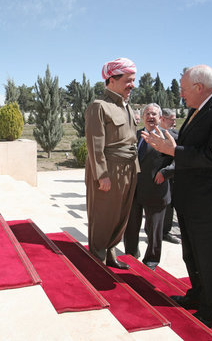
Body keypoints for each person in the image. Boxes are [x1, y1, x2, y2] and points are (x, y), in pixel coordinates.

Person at [142, 65, 212, 328]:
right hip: (191, 201)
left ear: (199, 88)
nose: (181, 94)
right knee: (193, 256)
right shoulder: (197, 109)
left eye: (183, 89)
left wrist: (175, 150)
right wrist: (165, 150)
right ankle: (198, 295)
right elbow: (188, 148)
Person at [85, 57, 139, 270]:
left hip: (129, 168)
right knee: (103, 215)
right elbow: (94, 145)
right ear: (112, 80)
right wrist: (102, 174)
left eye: (133, 80)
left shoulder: (126, 106)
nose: (132, 85)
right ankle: (96, 259)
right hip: (109, 169)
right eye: (128, 80)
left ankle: (110, 254)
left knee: (121, 215)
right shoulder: (99, 107)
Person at [124, 103, 175, 270]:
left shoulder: (169, 137)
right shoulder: (136, 135)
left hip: (156, 190)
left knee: (153, 230)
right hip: (135, 190)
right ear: (143, 117)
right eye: (147, 114)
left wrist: (166, 172)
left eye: (154, 114)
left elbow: (178, 160)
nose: (150, 117)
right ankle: (130, 255)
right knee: (131, 227)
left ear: (160, 118)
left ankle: (151, 261)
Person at [160, 108, 180, 244]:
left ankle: (165, 232)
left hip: (169, 177)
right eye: (172, 119)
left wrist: (167, 171)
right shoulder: (149, 133)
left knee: (168, 206)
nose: (174, 122)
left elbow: (178, 157)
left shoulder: (176, 136)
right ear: (163, 119)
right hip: (151, 176)